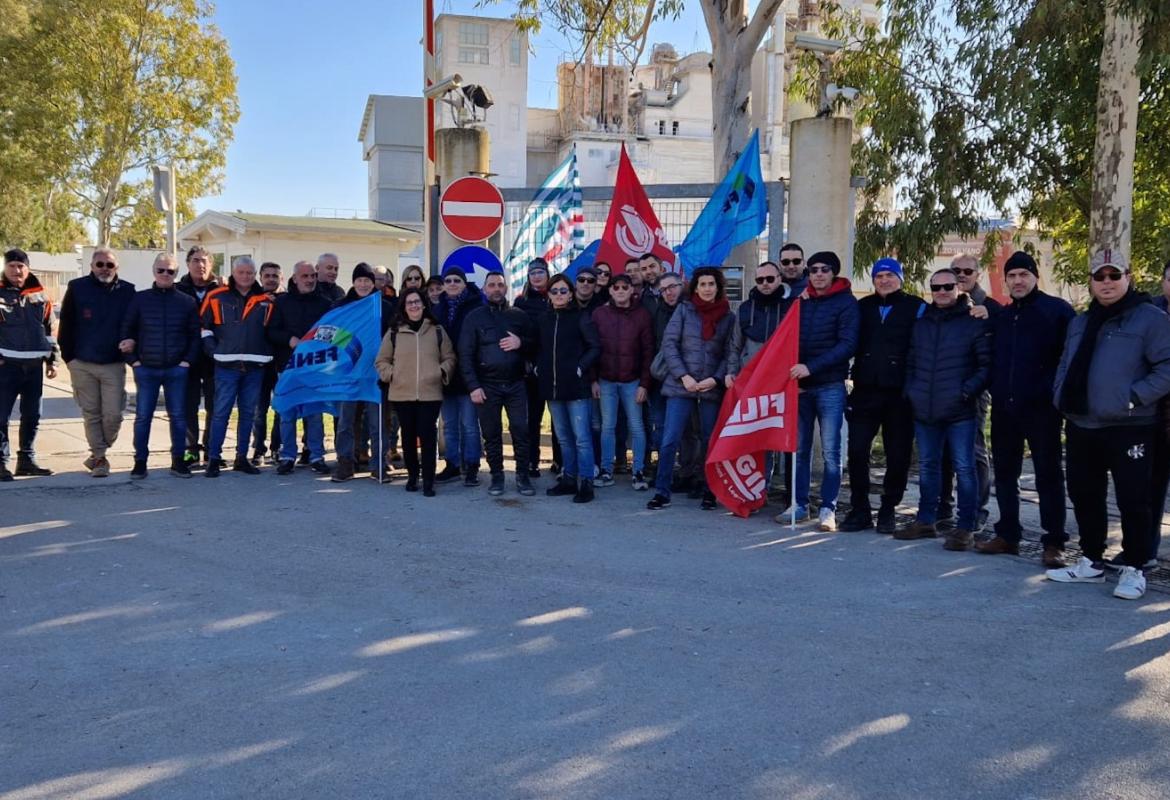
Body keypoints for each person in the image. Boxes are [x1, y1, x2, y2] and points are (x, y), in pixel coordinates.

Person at [1047, 249, 1170, 600]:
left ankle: (1135, 566)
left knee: (1134, 499)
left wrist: (1133, 397)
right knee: (1085, 494)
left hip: (1129, 425)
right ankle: (1091, 561)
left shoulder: (1149, 319)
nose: (1106, 283)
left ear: (1128, 277)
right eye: (1099, 277)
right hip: (1083, 423)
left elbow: (1167, 366)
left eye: (1114, 276)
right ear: (1091, 282)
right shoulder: (1081, 321)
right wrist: (1060, 394)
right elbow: (1065, 363)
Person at [976, 251, 1075, 567]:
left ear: (1035, 277)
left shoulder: (1057, 311)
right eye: (1012, 276)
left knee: (1048, 475)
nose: (1018, 281)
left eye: (1024, 275)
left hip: (1043, 410)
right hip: (1005, 408)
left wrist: (1051, 394)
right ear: (1005, 281)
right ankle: (1008, 535)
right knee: (1005, 474)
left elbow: (1068, 360)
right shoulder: (1003, 316)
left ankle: (1054, 542)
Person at [895, 267, 992, 549]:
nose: (941, 292)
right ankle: (926, 521)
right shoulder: (922, 323)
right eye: (936, 287)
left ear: (957, 288)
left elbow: (985, 366)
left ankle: (965, 527)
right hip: (925, 408)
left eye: (947, 286)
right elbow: (911, 362)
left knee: (964, 467)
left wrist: (965, 392)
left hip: (960, 410)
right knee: (928, 467)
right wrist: (911, 392)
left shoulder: (974, 321)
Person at [839, 258, 924, 534]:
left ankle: (888, 509)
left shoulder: (917, 307)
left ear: (900, 278)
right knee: (856, 451)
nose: (884, 280)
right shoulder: (862, 307)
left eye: (890, 275)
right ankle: (860, 509)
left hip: (900, 395)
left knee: (897, 454)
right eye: (879, 276)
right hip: (865, 391)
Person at [781, 251, 858, 531]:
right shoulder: (801, 302)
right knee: (799, 450)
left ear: (834, 273)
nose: (818, 274)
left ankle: (828, 508)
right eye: (813, 269)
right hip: (800, 387)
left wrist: (810, 368)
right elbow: (786, 338)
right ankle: (799, 505)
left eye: (825, 269)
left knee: (830, 451)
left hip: (829, 386)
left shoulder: (847, 303)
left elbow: (847, 345)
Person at [648, 267, 735, 511]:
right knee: (670, 439)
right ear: (695, 288)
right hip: (680, 385)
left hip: (709, 387)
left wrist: (716, 379)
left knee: (709, 440)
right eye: (703, 284)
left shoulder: (728, 317)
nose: (707, 288)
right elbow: (670, 344)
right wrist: (683, 375)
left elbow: (729, 353)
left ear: (718, 287)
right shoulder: (685, 310)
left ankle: (709, 491)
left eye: (711, 284)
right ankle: (662, 492)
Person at [118, 253, 200, 479]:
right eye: (161, 270)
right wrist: (134, 361)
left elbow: (195, 336)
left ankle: (178, 461)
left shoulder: (186, 302)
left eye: (170, 271)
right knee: (143, 417)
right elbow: (127, 330)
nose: (165, 274)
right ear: (154, 271)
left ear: (176, 273)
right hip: (147, 369)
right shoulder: (140, 299)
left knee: (179, 417)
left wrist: (186, 362)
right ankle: (140, 461)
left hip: (177, 369)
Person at [58, 247, 136, 477]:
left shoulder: (128, 291)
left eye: (109, 265)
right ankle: (100, 458)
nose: (104, 269)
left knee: (114, 414)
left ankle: (97, 452)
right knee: (91, 413)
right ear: (91, 266)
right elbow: (66, 324)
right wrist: (68, 358)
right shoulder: (77, 288)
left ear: (116, 267)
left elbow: (133, 324)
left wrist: (131, 346)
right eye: (100, 264)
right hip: (82, 363)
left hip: (113, 364)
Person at [458, 271, 537, 496]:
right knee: (491, 433)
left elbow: (535, 345)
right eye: (491, 285)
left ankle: (522, 476)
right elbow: (465, 354)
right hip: (487, 384)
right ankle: (497, 477)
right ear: (484, 290)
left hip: (516, 383)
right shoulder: (474, 317)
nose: (496, 289)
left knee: (521, 430)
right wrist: (473, 386)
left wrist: (521, 342)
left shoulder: (519, 316)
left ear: (506, 289)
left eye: (500, 285)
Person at [938, 254, 1002, 529]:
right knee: (943, 453)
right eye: (956, 270)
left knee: (973, 452)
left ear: (977, 274)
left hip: (973, 392)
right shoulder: (941, 305)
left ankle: (977, 510)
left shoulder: (990, 308)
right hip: (940, 391)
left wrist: (972, 387)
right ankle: (944, 508)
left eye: (967, 271)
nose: (961, 275)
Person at [375, 287, 456, 496]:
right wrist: (392, 374)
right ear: (404, 306)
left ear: (423, 304)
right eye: (409, 302)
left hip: (430, 393)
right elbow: (381, 360)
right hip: (402, 393)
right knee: (408, 437)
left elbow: (449, 357)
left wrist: (440, 371)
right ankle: (412, 476)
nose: (414, 306)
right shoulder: (394, 332)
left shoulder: (436, 330)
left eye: (417, 302)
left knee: (428, 437)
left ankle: (429, 480)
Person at [200, 256, 276, 478]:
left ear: (255, 275)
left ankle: (242, 458)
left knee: (248, 414)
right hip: (226, 366)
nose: (246, 277)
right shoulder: (215, 296)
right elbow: (203, 327)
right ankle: (213, 458)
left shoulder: (267, 301)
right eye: (242, 272)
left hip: (255, 367)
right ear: (233, 273)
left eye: (250, 273)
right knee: (221, 412)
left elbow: (272, 331)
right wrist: (214, 350)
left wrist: (266, 353)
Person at [537, 273, 601, 502]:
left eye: (563, 291)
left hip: (577, 388)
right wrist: (538, 367)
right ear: (549, 295)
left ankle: (586, 483)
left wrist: (580, 368)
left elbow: (594, 347)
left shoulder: (581, 317)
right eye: (554, 291)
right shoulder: (544, 319)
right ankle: (568, 478)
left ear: (571, 294)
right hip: (553, 388)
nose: (559, 295)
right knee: (563, 437)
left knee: (582, 438)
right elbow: (537, 348)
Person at [331, 263, 396, 482]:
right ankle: (345, 463)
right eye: (359, 280)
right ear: (353, 282)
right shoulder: (342, 306)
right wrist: (351, 346)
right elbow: (332, 333)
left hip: (375, 373)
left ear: (373, 283)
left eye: (367, 281)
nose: (363, 284)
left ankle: (379, 464)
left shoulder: (384, 307)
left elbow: (391, 334)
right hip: (349, 373)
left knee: (377, 422)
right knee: (346, 421)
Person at [267, 260, 332, 477]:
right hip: (287, 366)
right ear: (294, 278)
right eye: (305, 276)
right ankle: (287, 456)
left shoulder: (325, 303)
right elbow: (271, 331)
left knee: (314, 414)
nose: (310, 280)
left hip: (314, 367)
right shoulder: (282, 302)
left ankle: (316, 455)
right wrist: (289, 339)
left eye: (313, 276)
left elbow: (332, 332)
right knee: (287, 413)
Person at [0, 248, 58, 481]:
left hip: (34, 366)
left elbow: (49, 330)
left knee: (32, 415)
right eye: (12, 266)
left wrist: (53, 360)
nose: (16, 270)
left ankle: (26, 460)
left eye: (21, 266)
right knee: (1, 417)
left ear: (28, 268)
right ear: (5, 268)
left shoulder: (41, 296)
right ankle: (1, 463)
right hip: (6, 366)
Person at [592, 273, 654, 491]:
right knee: (608, 426)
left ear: (631, 290)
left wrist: (644, 384)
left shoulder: (642, 315)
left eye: (624, 287)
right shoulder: (599, 314)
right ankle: (606, 469)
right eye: (615, 287)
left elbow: (648, 352)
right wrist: (593, 380)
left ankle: (637, 471)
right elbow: (593, 349)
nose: (620, 290)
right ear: (610, 290)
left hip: (632, 381)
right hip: (606, 380)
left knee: (636, 426)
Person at [435, 266, 485, 486]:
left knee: (470, 424)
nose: (452, 284)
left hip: (469, 375)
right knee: (449, 425)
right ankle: (453, 464)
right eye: (448, 281)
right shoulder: (438, 309)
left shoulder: (476, 306)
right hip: (445, 376)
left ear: (465, 283)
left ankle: (472, 464)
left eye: (457, 280)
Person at [177, 246, 222, 468]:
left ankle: (212, 451)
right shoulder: (178, 290)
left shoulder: (222, 289)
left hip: (216, 359)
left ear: (211, 265)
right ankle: (190, 453)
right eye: (195, 260)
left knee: (215, 407)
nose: (200, 265)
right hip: (188, 357)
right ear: (188, 264)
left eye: (204, 261)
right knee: (189, 407)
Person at [513, 258, 551, 478]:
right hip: (529, 369)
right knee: (532, 419)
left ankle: (560, 461)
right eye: (532, 272)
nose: (536, 276)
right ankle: (531, 462)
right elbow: (518, 334)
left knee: (559, 421)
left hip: (554, 367)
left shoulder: (556, 297)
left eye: (540, 272)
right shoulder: (521, 302)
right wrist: (526, 359)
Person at [252, 262, 284, 464]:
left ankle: (277, 447)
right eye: (267, 275)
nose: (271, 279)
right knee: (259, 410)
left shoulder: (287, 301)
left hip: (280, 362)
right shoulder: (252, 299)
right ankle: (258, 448)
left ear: (281, 278)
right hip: (258, 364)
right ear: (261, 277)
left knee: (280, 408)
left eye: (275, 275)